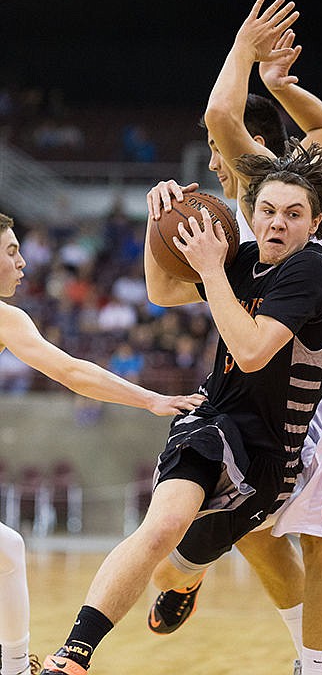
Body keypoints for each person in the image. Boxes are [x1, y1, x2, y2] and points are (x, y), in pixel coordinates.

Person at [147, 0, 322, 675]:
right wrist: (285, 86)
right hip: (277, 376)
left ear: (254, 148)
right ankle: (317, 653)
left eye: (217, 148)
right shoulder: (251, 211)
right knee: (253, 522)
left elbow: (222, 114)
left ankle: (321, 667)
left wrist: (244, 49)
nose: (213, 152)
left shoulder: (273, 185)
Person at [38, 135, 322, 675]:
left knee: (171, 574)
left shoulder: (312, 271)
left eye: (293, 215)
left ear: (314, 224)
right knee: (159, 529)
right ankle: (74, 655)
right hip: (212, 421)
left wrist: (209, 269)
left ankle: (191, 580)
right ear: (252, 214)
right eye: (268, 210)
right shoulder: (243, 259)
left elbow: (250, 352)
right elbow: (161, 292)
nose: (277, 223)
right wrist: (160, 225)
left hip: (269, 456)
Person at [0, 212, 204, 675]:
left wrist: (150, 398)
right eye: (11, 252)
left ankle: (12, 667)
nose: (23, 262)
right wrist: (150, 398)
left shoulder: (8, 319)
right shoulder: (3, 317)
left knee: (8, 551)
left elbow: (74, 371)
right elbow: (72, 372)